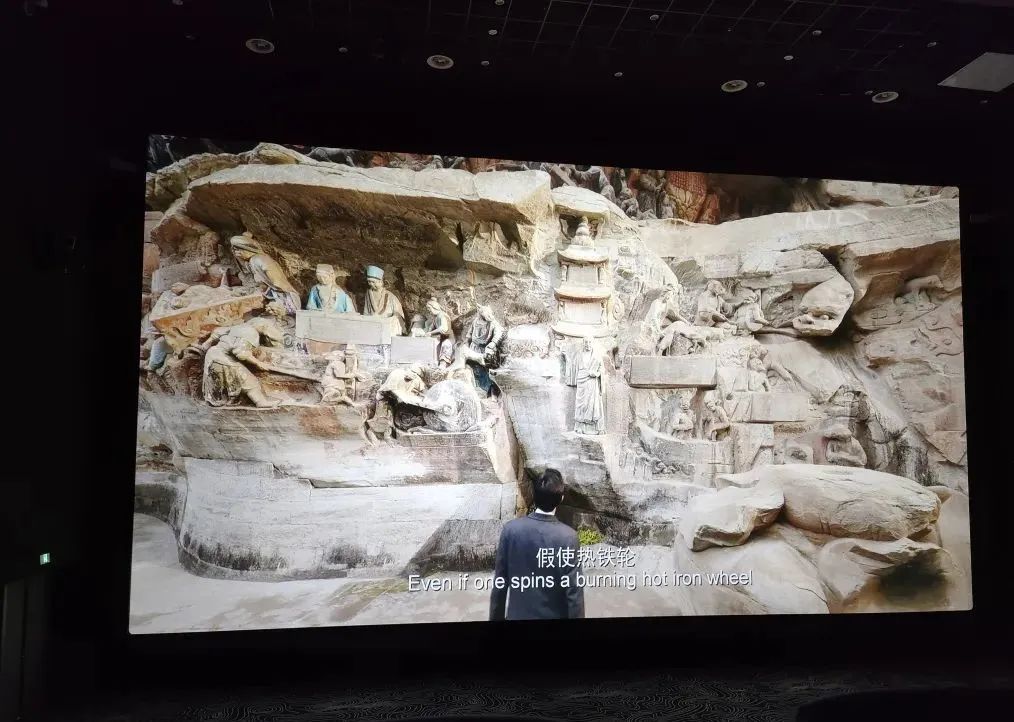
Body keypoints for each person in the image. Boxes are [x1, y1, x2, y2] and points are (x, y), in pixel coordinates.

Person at [489, 469, 585, 621]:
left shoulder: (510, 530)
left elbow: (499, 585)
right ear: (561, 498)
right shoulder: (568, 537)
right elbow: (574, 594)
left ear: (534, 495)